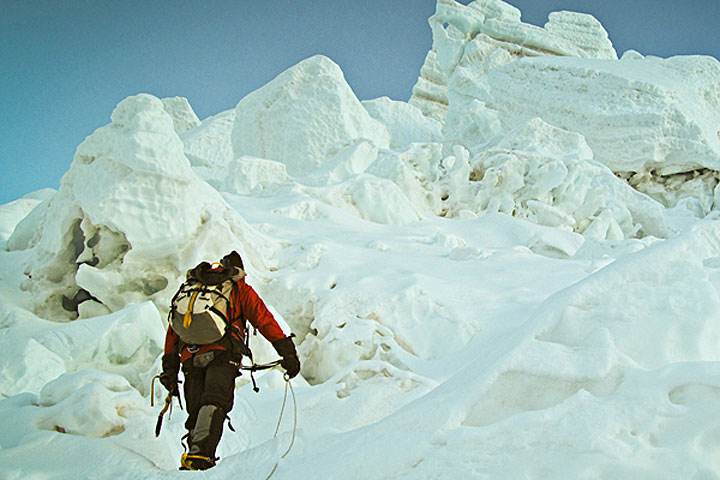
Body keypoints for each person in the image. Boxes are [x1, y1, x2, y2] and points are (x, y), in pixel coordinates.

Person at [158, 251, 300, 471]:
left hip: (189, 356)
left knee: (196, 407)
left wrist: (169, 366)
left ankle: (194, 455)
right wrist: (288, 352)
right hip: (223, 353)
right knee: (215, 400)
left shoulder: (194, 291)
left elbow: (173, 330)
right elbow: (263, 319)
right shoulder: (239, 289)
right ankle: (200, 456)